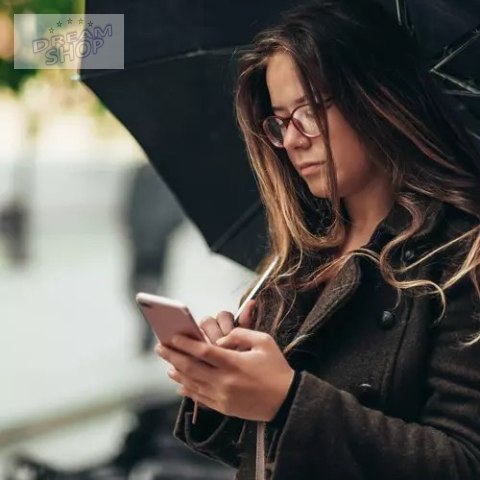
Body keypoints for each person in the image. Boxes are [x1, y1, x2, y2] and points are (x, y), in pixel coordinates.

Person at [155, 1, 480, 479]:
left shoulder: (460, 254)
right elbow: (262, 451)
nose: (293, 140)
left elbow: (463, 463)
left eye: (308, 111)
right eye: (281, 122)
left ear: (377, 99)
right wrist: (224, 381)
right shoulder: (300, 257)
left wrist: (287, 401)